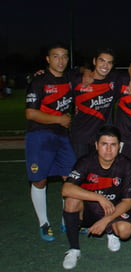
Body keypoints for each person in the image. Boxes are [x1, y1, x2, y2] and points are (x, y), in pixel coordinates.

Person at [61, 125, 131, 269]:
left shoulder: (127, 165)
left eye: (113, 145)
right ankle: (74, 249)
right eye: (104, 144)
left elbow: (127, 202)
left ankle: (110, 231)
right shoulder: (85, 161)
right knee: (71, 200)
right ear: (96, 145)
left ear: (119, 146)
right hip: (90, 208)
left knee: (125, 231)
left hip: (113, 209)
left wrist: (105, 221)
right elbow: (66, 189)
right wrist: (99, 198)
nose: (108, 149)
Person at [25, 43, 77, 242]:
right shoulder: (39, 81)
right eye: (56, 56)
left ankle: (67, 218)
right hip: (40, 136)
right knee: (39, 179)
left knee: (71, 178)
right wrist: (58, 119)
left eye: (64, 56)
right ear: (48, 59)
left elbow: (85, 72)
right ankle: (44, 223)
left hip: (63, 137)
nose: (61, 60)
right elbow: (30, 113)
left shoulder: (70, 78)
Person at [70, 48, 120, 158]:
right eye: (102, 61)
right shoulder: (78, 81)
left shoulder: (114, 81)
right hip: (81, 138)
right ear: (94, 61)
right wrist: (86, 71)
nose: (105, 66)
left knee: (100, 173)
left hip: (103, 137)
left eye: (109, 62)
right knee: (80, 172)